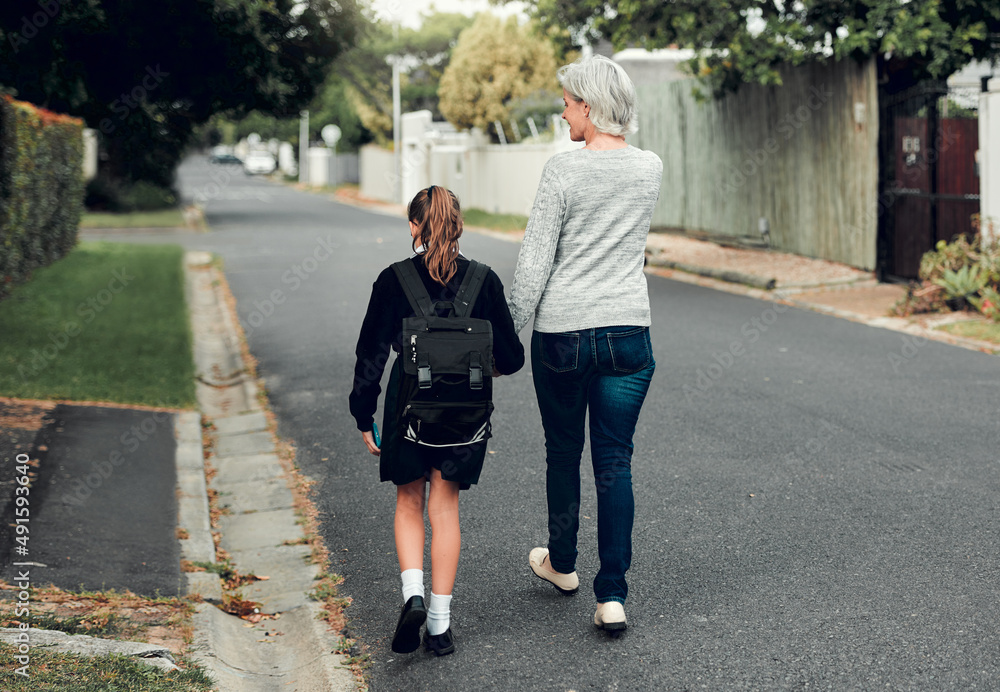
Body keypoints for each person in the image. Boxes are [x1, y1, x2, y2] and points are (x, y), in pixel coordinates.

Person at [507, 54, 663, 635]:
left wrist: (506, 338)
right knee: (615, 461)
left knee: (563, 452)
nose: (563, 110)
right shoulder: (650, 168)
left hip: (563, 335)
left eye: (569, 102)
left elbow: (534, 263)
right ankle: (613, 596)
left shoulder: (563, 171)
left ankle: (563, 563)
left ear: (590, 108)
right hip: (627, 332)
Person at [349, 185, 524, 656]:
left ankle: (413, 596)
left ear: (414, 227)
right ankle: (441, 628)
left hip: (408, 413)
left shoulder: (392, 280)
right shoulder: (484, 281)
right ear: (459, 225)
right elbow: (511, 358)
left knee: (410, 503)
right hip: (465, 420)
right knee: (444, 510)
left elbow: (370, 356)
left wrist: (363, 413)